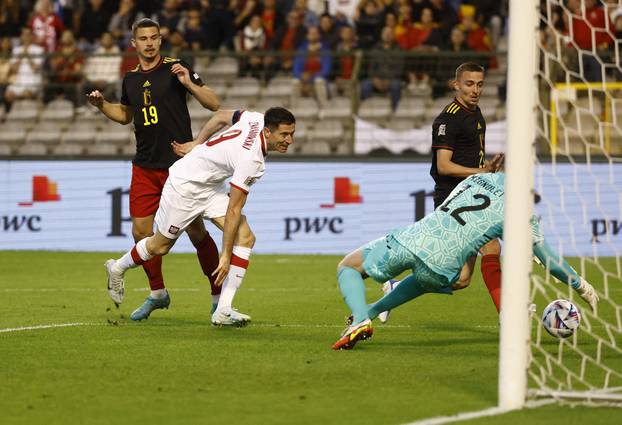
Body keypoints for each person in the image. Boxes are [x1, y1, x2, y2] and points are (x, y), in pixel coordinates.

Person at [332, 172, 600, 350]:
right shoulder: (521, 212)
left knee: (348, 266)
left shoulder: (475, 179)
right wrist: (581, 285)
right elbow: (550, 261)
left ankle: (358, 319)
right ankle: (370, 311)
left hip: (418, 239)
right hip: (444, 269)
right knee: (425, 279)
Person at [104, 107, 296, 326]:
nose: (289, 140)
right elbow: (234, 209)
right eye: (284, 135)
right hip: (184, 186)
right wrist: (225, 255)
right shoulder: (252, 160)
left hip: (209, 186)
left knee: (246, 237)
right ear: (268, 132)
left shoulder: (255, 118)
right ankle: (117, 267)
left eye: (292, 134)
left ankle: (223, 310)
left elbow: (222, 115)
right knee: (160, 247)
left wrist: (198, 142)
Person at [86, 18, 220, 321]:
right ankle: (158, 293)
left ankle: (217, 296)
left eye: (154, 38)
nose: (149, 43)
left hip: (180, 166)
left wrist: (188, 83)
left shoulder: (176, 68)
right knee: (140, 231)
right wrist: (101, 105)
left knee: (196, 230)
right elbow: (124, 116)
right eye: (143, 39)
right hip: (145, 165)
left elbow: (214, 103)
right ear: (133, 44)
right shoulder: (130, 79)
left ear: (160, 40)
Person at [428, 62, 504, 314]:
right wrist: (481, 172)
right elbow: (444, 166)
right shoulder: (448, 119)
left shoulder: (475, 113)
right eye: (469, 84)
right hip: (453, 198)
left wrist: (488, 172)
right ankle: (509, 315)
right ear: (456, 84)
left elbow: (473, 158)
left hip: (471, 194)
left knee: (461, 279)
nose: (475, 90)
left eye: (480, 84)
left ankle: (396, 287)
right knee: (491, 245)